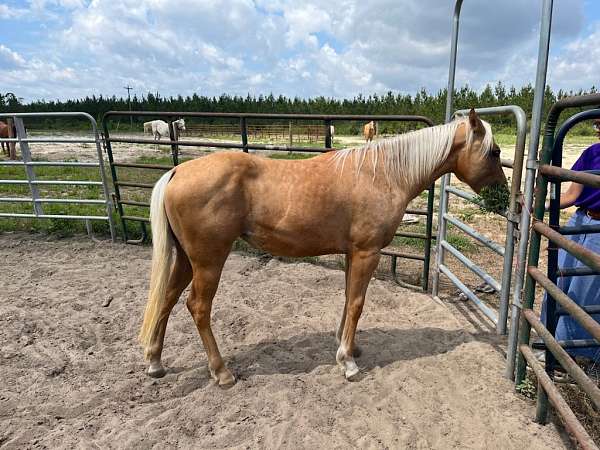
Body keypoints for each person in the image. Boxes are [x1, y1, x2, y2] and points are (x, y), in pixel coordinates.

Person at [541, 119, 600, 363]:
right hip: (580, 221)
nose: (599, 130)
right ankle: (548, 341)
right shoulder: (592, 153)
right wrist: (538, 206)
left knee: (586, 290)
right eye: (598, 125)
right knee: (559, 279)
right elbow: (571, 195)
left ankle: (577, 354)